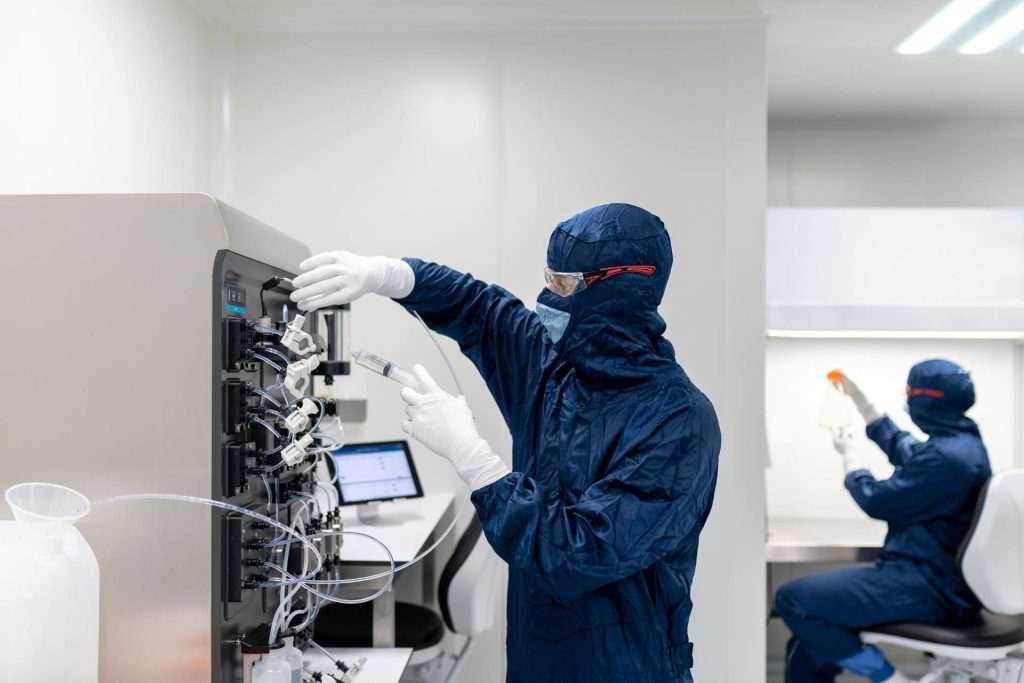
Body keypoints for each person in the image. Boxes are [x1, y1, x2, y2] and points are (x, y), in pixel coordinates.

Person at [291, 203, 721, 682]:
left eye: (564, 283)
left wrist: (476, 461)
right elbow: (479, 309)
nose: (547, 296)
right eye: (548, 277)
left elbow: (577, 554)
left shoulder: (679, 420)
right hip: (537, 656)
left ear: (620, 287)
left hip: (625, 666)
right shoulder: (552, 368)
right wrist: (390, 275)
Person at [775, 359, 991, 683]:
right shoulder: (962, 445)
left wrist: (850, 459)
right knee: (807, 646)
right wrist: (863, 403)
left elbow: (876, 499)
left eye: (910, 392)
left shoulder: (947, 458)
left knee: (792, 600)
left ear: (929, 397)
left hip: (927, 586)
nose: (906, 399)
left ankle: (891, 679)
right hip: (932, 579)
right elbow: (904, 448)